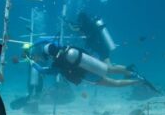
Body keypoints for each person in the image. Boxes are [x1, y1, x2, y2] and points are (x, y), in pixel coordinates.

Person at [23, 36, 155, 90]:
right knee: (111, 69)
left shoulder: (57, 65)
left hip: (88, 75)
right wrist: (33, 45)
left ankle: (139, 81)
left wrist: (30, 61)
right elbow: (43, 39)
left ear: (50, 56)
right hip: (90, 62)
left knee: (115, 83)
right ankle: (131, 72)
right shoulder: (61, 46)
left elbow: (42, 70)